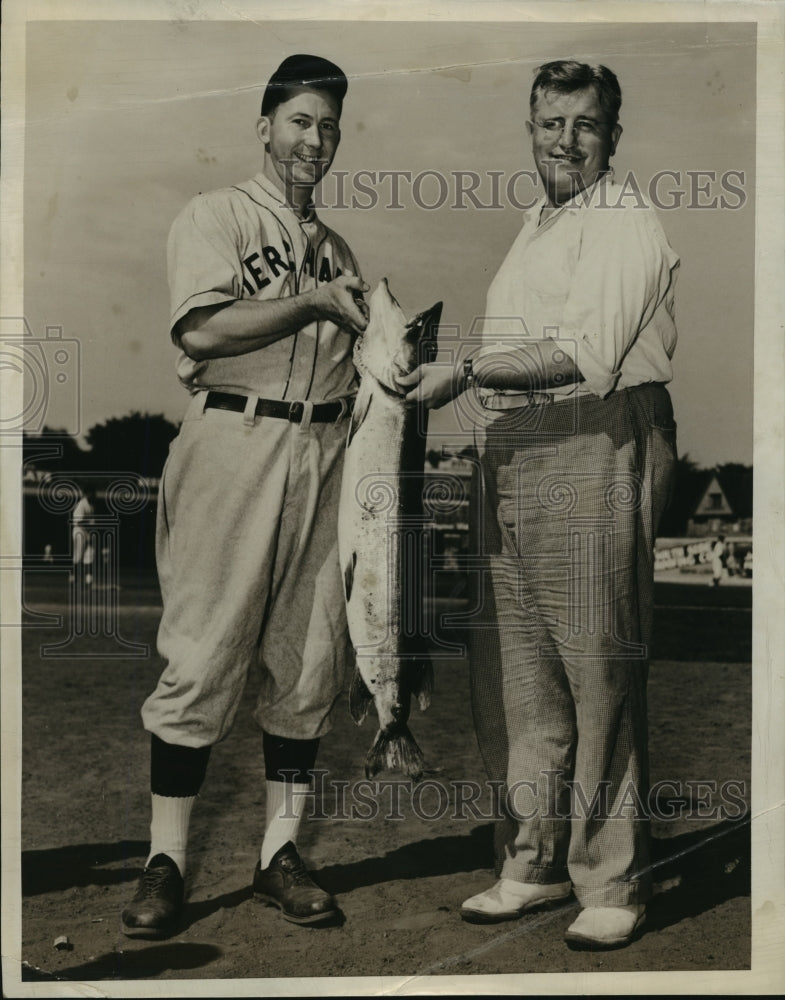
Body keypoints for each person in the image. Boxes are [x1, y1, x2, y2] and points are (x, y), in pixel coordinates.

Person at [401, 60, 679, 950]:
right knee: (516, 672)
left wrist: (468, 369)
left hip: (594, 433)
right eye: (550, 122)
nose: (566, 139)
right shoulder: (535, 224)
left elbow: (587, 351)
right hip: (514, 449)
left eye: (585, 124)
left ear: (612, 136)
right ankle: (531, 859)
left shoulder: (625, 218)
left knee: (597, 667)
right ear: (529, 129)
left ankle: (613, 879)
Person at [121, 54, 369, 938]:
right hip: (234, 436)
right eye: (301, 121)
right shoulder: (215, 214)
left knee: (308, 661)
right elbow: (202, 327)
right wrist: (309, 304)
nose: (315, 140)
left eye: (329, 126)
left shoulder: (339, 250)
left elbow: (365, 370)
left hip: (324, 449)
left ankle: (279, 854)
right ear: (264, 126)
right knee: (202, 655)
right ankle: (166, 861)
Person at [70, 485, 96, 587]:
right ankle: (73, 578)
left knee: (90, 555)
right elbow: (78, 521)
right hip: (79, 531)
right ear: (87, 494)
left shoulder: (91, 505)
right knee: (78, 556)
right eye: (92, 493)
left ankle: (88, 580)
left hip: (87, 532)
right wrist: (90, 522)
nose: (94, 495)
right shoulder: (81, 504)